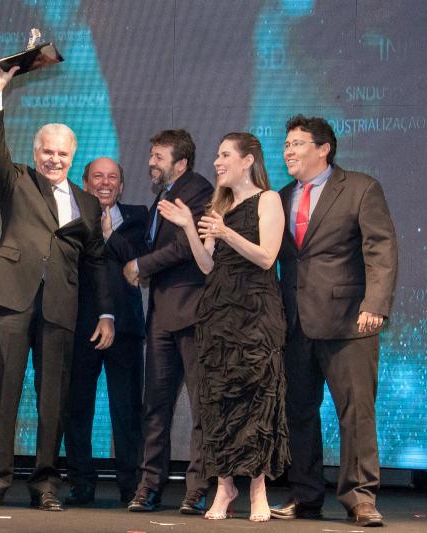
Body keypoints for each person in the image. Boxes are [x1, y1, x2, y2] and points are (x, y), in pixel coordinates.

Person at [0, 65, 114, 512]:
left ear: (73, 157)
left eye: (62, 154)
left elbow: (97, 263)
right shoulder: (15, 180)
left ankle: (45, 485)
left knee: (53, 399)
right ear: (36, 153)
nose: (55, 159)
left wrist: (106, 313)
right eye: (48, 152)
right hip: (13, 300)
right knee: (4, 393)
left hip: (60, 308)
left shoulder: (87, 203)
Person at [269, 115, 397, 527]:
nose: (288, 151)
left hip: (349, 322)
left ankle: (360, 498)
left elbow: (381, 249)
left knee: (356, 413)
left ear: (324, 149)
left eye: (297, 143)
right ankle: (305, 496)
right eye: (286, 144)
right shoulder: (281, 196)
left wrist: (375, 304)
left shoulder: (360, 188)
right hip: (295, 324)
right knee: (297, 413)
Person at [158, 132, 290, 521]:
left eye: (225, 154)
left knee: (257, 397)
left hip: (257, 311)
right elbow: (207, 265)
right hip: (218, 313)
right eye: (216, 155)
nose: (217, 162)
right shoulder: (219, 206)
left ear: (248, 160)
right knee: (218, 399)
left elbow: (267, 257)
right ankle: (224, 485)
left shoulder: (268, 199)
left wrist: (226, 232)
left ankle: (258, 488)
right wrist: (188, 226)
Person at [122, 129, 214, 514]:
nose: (151, 162)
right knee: (155, 406)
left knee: (201, 406)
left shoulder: (198, 190)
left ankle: (197, 489)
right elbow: (156, 245)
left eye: (158, 156)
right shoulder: (164, 194)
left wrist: (139, 266)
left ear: (180, 163)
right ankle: (149, 486)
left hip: (193, 313)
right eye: (151, 155)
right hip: (160, 314)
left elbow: (183, 249)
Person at [64, 157, 148, 506]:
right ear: (85, 183)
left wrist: (110, 234)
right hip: (81, 326)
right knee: (77, 408)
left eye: (112, 177)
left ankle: (131, 486)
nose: (105, 183)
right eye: (97, 177)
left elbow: (139, 261)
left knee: (127, 411)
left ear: (122, 186)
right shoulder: (71, 217)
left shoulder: (139, 216)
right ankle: (81, 483)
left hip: (126, 328)